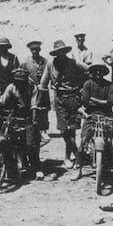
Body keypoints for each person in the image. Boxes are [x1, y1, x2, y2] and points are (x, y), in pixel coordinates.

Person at [39, 40, 87, 169]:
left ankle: (67, 158)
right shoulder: (50, 64)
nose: (60, 54)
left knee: (71, 130)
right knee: (64, 130)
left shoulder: (74, 62)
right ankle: (78, 155)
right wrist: (40, 100)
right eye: (57, 52)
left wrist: (84, 88)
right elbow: (43, 84)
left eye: (62, 51)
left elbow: (88, 71)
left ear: (65, 52)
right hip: (59, 99)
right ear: (55, 53)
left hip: (74, 98)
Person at [0, 68, 43, 180]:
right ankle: (8, 167)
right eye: (17, 81)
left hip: (29, 116)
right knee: (6, 139)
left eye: (22, 81)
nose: (20, 83)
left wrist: (34, 119)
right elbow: (3, 100)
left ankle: (37, 168)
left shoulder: (32, 87)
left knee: (31, 144)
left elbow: (34, 104)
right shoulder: (11, 87)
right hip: (14, 115)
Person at [71, 63, 113, 181]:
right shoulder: (88, 84)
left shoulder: (110, 85)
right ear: (92, 72)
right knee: (83, 141)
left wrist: (93, 99)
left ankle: (111, 168)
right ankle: (78, 168)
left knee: (109, 141)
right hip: (90, 115)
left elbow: (111, 102)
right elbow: (85, 101)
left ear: (103, 72)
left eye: (100, 71)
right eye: (95, 71)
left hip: (106, 116)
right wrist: (103, 102)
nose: (98, 73)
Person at [21, 41, 50, 139]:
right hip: (31, 89)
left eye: (36, 50)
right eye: (32, 50)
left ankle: (44, 129)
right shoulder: (26, 63)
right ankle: (33, 127)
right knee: (33, 107)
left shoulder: (45, 62)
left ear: (39, 50)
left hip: (43, 88)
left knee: (43, 109)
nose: (35, 51)